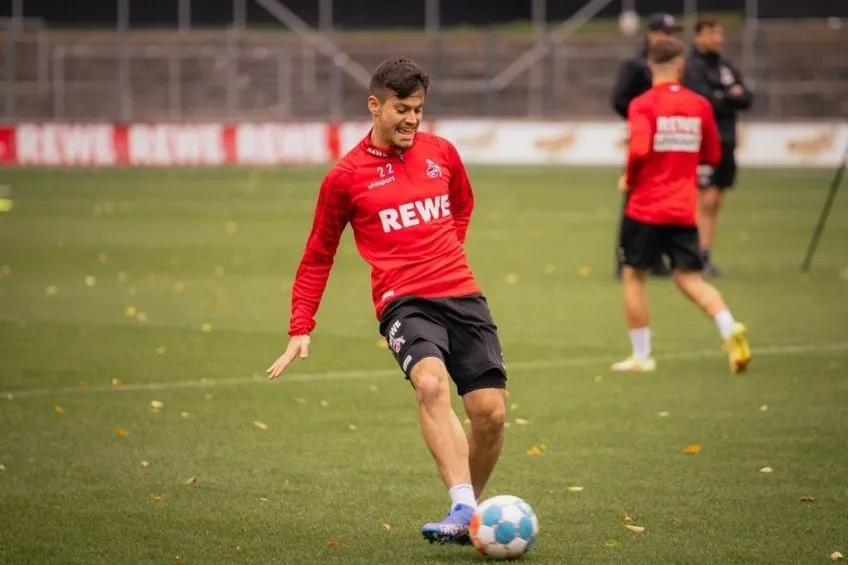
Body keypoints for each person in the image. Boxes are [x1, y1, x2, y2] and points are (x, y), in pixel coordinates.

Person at [266, 57, 507, 546]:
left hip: (461, 292)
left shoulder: (442, 152)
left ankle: (467, 512)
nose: (412, 119)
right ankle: (463, 502)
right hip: (404, 302)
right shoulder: (345, 178)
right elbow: (318, 254)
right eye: (402, 109)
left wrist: (448, 252)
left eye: (418, 109)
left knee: (490, 414)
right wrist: (300, 325)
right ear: (374, 106)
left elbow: (463, 204)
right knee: (431, 384)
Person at [612, 35, 752, 374]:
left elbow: (640, 150)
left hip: (645, 206)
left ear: (650, 66)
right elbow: (714, 154)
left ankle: (642, 356)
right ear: (681, 65)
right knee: (690, 278)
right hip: (681, 207)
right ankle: (728, 325)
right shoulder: (699, 104)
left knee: (633, 275)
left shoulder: (642, 104)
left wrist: (628, 178)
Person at [610, 12, 684, 280]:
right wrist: (642, 118)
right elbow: (619, 100)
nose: (670, 37)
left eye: (673, 33)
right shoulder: (635, 64)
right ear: (652, 34)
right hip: (645, 137)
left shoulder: (675, 65)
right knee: (634, 198)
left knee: (664, 195)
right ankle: (625, 258)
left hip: (669, 140)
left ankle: (656, 259)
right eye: (666, 32)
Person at [683, 15, 754, 277]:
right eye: (711, 33)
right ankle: (691, 254)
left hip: (727, 139)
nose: (717, 39)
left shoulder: (725, 66)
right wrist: (728, 96)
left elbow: (747, 96)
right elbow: (705, 101)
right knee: (705, 198)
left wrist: (726, 96)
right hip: (703, 141)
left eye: (719, 33)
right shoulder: (692, 66)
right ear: (698, 37)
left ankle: (704, 254)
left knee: (717, 200)